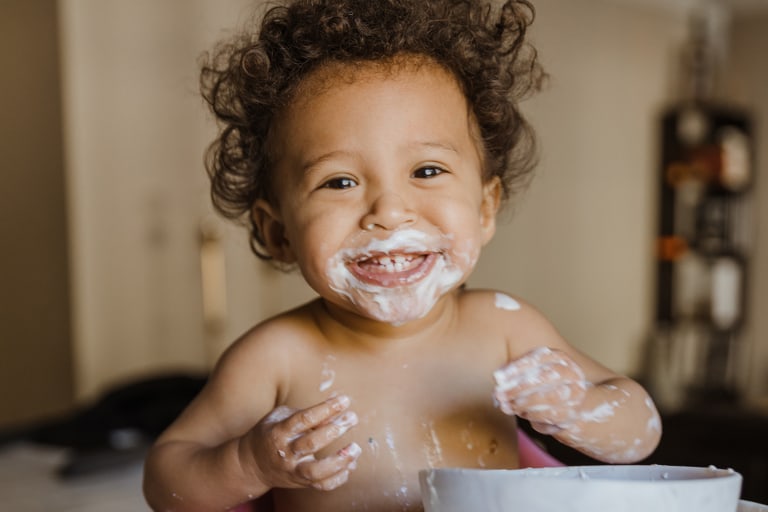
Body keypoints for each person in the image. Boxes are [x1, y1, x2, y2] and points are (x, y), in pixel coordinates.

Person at [142, 0, 662, 511]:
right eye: (339, 181)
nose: (390, 212)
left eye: (427, 171)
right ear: (277, 232)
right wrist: (249, 465)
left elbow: (641, 431)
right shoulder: (276, 358)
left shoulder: (503, 328)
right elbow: (166, 478)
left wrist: (581, 408)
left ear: (484, 209)